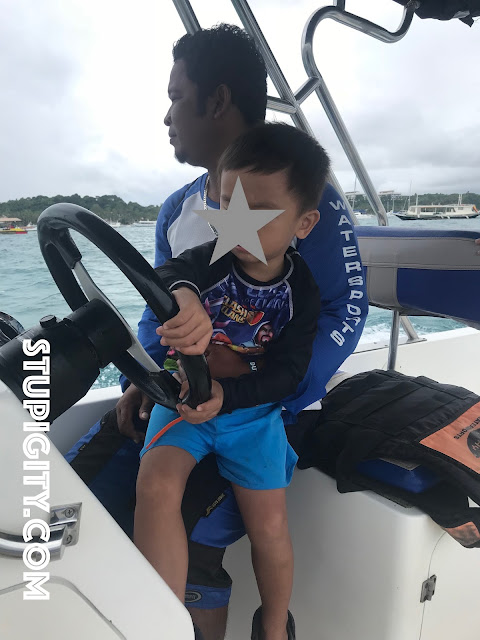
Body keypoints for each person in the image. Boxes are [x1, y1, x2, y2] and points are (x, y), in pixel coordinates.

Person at [66, 24, 368, 640]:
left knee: (200, 528)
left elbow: (344, 315)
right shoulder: (178, 210)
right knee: (74, 492)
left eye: (176, 97)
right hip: (178, 394)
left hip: (266, 407)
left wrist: (247, 388)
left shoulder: (309, 205)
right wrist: (149, 375)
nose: (167, 116)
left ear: (218, 100)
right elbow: (160, 306)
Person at [135, 122, 327, 640]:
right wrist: (184, 296)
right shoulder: (208, 262)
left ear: (304, 222)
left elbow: (289, 373)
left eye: (259, 211)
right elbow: (171, 274)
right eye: (227, 204)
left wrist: (230, 395)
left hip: (251, 415)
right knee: (156, 484)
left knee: (270, 525)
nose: (237, 224)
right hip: (184, 402)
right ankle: (163, 621)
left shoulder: (302, 291)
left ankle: (273, 625)